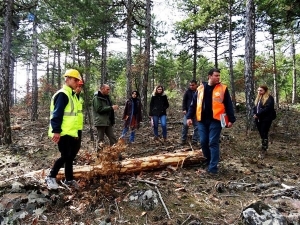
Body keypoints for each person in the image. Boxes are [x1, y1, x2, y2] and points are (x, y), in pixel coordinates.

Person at [186, 68, 236, 175]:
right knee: (203, 141)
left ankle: (213, 168)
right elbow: (193, 104)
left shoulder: (223, 88)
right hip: (202, 120)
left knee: (213, 142)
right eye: (216, 75)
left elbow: (228, 104)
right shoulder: (200, 89)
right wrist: (189, 117)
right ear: (209, 76)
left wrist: (231, 119)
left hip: (216, 120)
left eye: (219, 76)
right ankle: (208, 160)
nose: (218, 77)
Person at [46, 69, 81, 190]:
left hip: (70, 132)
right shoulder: (63, 94)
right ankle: (51, 176)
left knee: (70, 156)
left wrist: (76, 132)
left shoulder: (71, 95)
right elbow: (57, 114)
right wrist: (56, 131)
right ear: (69, 79)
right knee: (65, 156)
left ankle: (69, 179)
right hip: (63, 132)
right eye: (76, 80)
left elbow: (74, 116)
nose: (77, 82)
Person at [252, 85, 276, 152]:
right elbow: (255, 107)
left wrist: (258, 114)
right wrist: (254, 113)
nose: (259, 92)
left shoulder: (269, 98)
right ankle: (263, 145)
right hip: (258, 118)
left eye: (261, 90)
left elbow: (268, 108)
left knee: (264, 132)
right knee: (261, 132)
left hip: (266, 119)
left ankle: (264, 147)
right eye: (258, 90)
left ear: (265, 90)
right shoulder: (258, 98)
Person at [181, 80, 199, 146]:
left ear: (196, 85)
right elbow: (184, 101)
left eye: (193, 85)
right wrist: (184, 109)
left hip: (197, 112)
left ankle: (195, 140)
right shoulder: (187, 92)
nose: (191, 86)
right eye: (190, 85)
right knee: (185, 125)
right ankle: (183, 139)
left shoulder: (199, 91)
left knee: (197, 126)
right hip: (188, 112)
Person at [74, 79, 84, 158]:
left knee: (77, 146)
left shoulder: (80, 98)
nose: (79, 88)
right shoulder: (70, 97)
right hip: (71, 127)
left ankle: (71, 160)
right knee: (69, 147)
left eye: (80, 87)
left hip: (78, 126)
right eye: (78, 86)